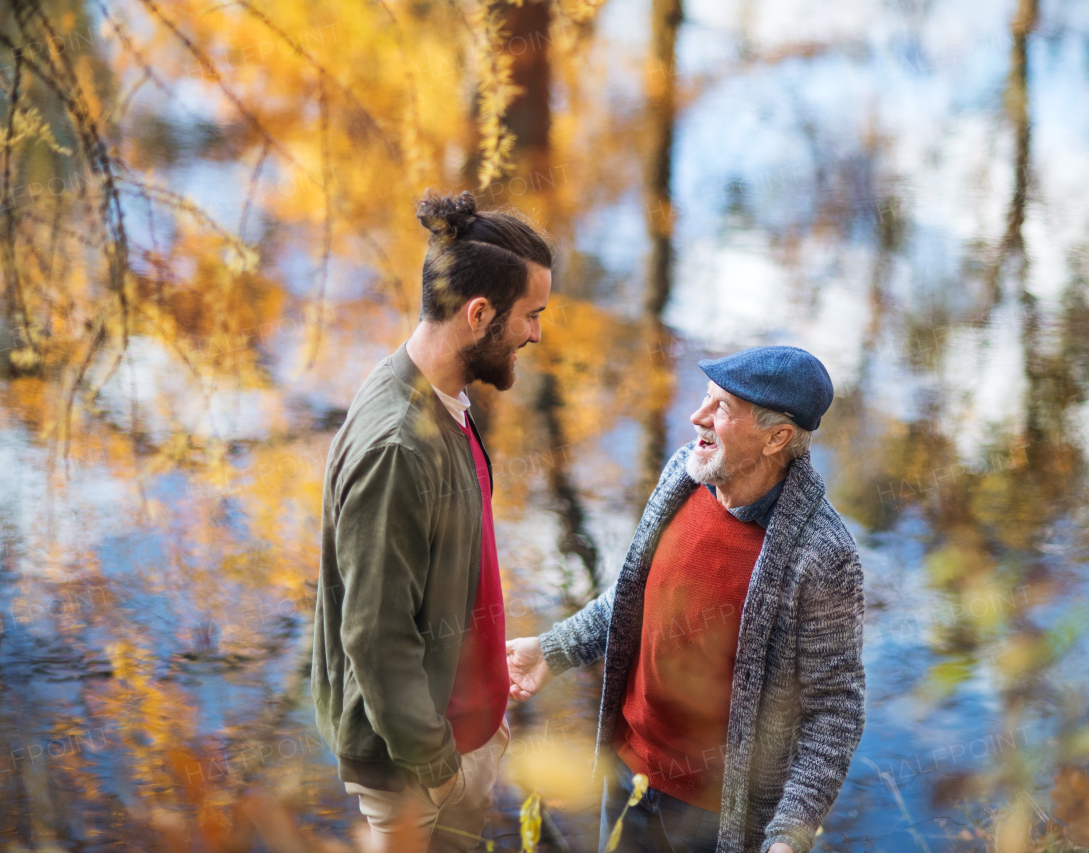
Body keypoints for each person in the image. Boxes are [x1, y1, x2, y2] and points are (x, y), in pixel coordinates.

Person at [507, 346, 865, 853]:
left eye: (721, 409)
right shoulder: (683, 476)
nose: (697, 417)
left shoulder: (822, 553)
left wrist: (788, 836)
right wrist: (554, 648)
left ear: (777, 437)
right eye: (706, 398)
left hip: (713, 817)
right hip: (626, 771)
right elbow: (635, 597)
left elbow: (834, 710)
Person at [312, 189, 553, 853]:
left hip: (463, 727)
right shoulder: (397, 447)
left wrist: (489, 702)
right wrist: (440, 768)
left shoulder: (443, 398)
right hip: (413, 770)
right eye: (530, 315)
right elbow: (375, 635)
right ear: (479, 314)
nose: (536, 332)